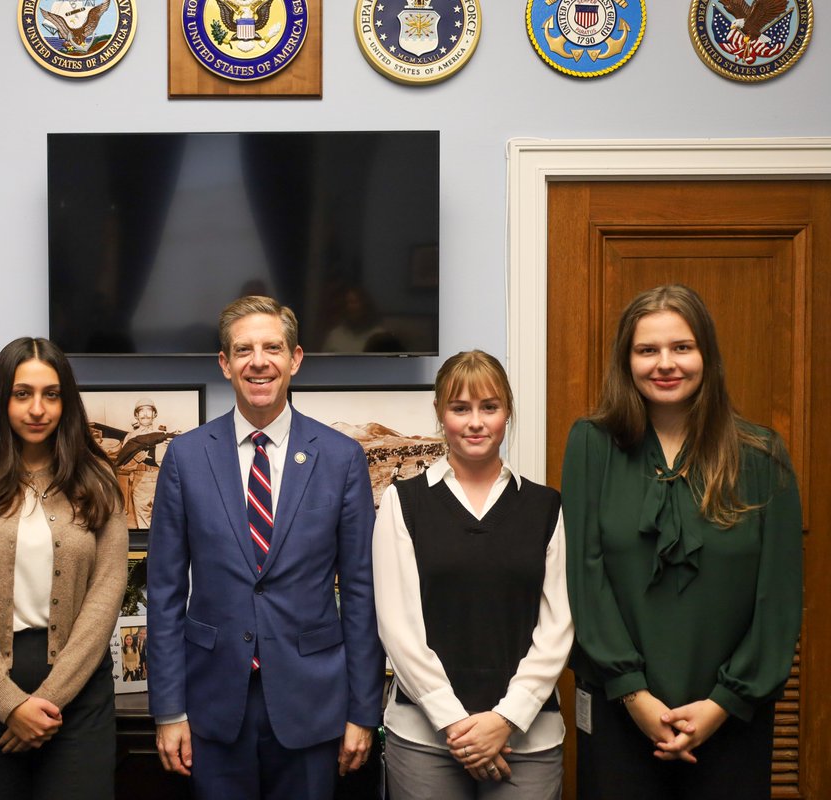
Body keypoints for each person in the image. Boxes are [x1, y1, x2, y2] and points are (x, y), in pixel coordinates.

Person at [562, 285, 802, 800]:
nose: (664, 364)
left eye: (682, 347)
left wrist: (723, 702)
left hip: (731, 717)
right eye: (647, 350)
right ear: (625, 361)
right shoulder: (590, 443)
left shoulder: (762, 454)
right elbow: (584, 576)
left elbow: (777, 598)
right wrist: (633, 694)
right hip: (618, 712)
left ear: (706, 356)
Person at [148, 295, 384, 799]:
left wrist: (363, 711)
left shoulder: (341, 459)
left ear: (295, 359)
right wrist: (168, 709)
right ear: (225, 364)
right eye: (243, 350)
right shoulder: (186, 458)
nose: (259, 361)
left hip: (312, 704)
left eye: (272, 348)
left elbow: (362, 593)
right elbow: (165, 594)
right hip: (213, 704)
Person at [0, 336, 128, 799]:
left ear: (66, 403)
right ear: (2, 400)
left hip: (76, 691)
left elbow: (107, 593)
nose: (38, 409)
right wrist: (7, 703)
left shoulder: (100, 482)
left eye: (51, 395)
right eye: (22, 394)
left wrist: (48, 701)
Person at [373, 350, 572, 799]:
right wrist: (456, 725)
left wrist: (506, 719)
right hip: (425, 739)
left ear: (507, 413)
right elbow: (397, 627)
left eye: (489, 407)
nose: (475, 422)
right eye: (460, 408)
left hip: (527, 739)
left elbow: (558, 625)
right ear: (441, 415)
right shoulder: (403, 504)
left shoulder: (545, 507)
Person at [115, 397, 176, 529]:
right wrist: (136, 459)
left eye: (149, 411)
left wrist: (170, 446)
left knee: (165, 519)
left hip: (162, 479)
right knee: (144, 523)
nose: (145, 414)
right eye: (141, 411)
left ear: (154, 414)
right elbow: (122, 466)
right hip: (140, 481)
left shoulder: (164, 435)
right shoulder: (131, 438)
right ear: (136, 415)